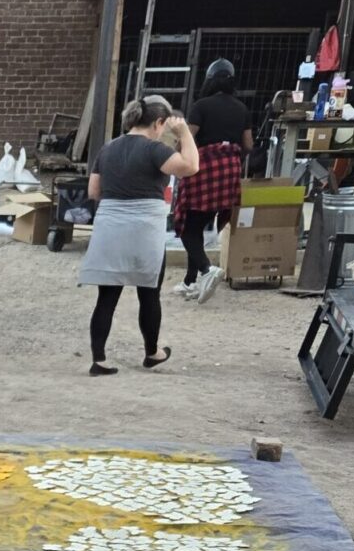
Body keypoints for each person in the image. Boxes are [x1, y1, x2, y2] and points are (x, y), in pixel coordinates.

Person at [80, 93, 199, 377]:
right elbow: (191, 167)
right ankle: (152, 352)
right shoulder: (154, 150)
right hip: (145, 229)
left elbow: (93, 192)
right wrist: (183, 133)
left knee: (106, 297)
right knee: (149, 293)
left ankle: (99, 359)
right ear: (159, 122)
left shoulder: (107, 149)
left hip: (110, 226)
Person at [174, 59, 253, 302]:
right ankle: (189, 282)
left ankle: (207, 271)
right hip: (229, 172)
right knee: (198, 226)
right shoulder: (242, 109)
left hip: (204, 170)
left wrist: (178, 153)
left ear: (209, 81)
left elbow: (188, 137)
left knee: (188, 228)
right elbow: (248, 145)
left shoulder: (201, 106)